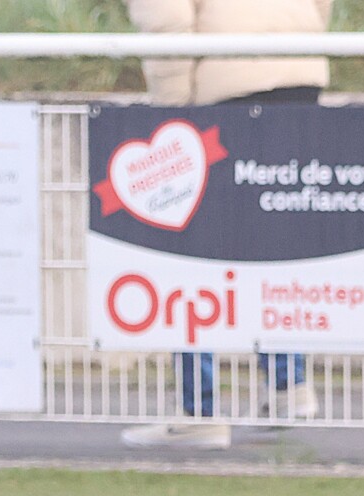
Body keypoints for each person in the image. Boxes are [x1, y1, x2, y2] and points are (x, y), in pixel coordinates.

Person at [120, 0, 331, 450]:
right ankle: (289, 385)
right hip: (301, 72)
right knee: (274, 240)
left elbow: (167, 21)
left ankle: (200, 410)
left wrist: (174, 111)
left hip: (227, 87)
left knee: (192, 254)